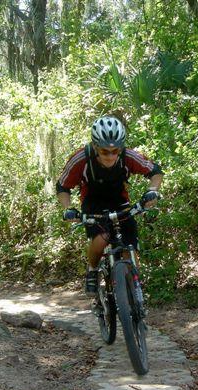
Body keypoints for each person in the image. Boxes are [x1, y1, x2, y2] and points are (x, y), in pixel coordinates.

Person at [56, 115, 164, 296]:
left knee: (130, 250)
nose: (111, 156)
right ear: (96, 147)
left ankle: (135, 296)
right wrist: (68, 209)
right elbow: (63, 186)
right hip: (93, 203)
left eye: (116, 151)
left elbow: (155, 171)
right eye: (105, 152)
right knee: (102, 238)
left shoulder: (128, 156)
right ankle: (92, 271)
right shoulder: (81, 159)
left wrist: (152, 190)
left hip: (120, 201)